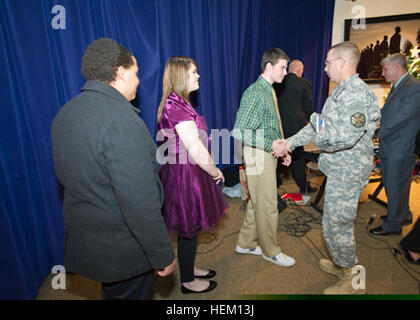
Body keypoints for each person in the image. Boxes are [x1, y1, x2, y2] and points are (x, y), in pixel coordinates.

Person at [51, 38, 176, 300]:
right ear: (120, 73)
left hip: (90, 242)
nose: (138, 81)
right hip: (122, 249)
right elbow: (139, 202)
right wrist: (161, 253)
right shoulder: (122, 121)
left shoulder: (65, 114)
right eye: (136, 73)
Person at [274, 41, 381, 294]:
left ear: (343, 63)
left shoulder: (356, 95)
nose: (324, 68)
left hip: (349, 172)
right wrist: (288, 143)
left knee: (338, 225)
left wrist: (317, 133)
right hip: (338, 169)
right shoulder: (340, 92)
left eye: (328, 62)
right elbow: (317, 126)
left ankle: (353, 278)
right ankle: (341, 265)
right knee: (332, 223)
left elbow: (343, 137)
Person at [156, 56, 228, 294]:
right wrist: (216, 171)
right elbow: (195, 149)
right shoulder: (176, 106)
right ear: (180, 76)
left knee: (192, 225)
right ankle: (187, 281)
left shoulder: (177, 102)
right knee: (189, 225)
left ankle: (189, 267)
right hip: (185, 175)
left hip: (185, 171)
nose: (198, 76)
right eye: (194, 72)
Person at [232, 48, 295, 268]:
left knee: (257, 202)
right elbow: (240, 131)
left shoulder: (269, 90)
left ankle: (245, 242)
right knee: (268, 205)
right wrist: (272, 146)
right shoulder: (256, 92)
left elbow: (272, 125)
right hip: (259, 154)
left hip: (267, 153)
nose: (285, 72)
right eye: (282, 67)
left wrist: (284, 149)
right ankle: (271, 251)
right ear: (269, 66)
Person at [369, 53, 420, 236]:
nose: (383, 73)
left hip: (401, 147)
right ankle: (402, 214)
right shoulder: (400, 86)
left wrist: (377, 132)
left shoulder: (414, 87)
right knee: (399, 185)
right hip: (394, 145)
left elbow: (401, 118)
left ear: (398, 67)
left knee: (395, 185)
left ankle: (393, 225)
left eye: (385, 69)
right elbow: (389, 111)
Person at [274, 59, 317, 194]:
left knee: (276, 153)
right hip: (295, 126)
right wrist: (314, 122)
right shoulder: (304, 83)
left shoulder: (278, 82)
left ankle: (275, 183)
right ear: (300, 71)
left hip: (278, 124)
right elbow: (309, 106)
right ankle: (303, 186)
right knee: (297, 157)